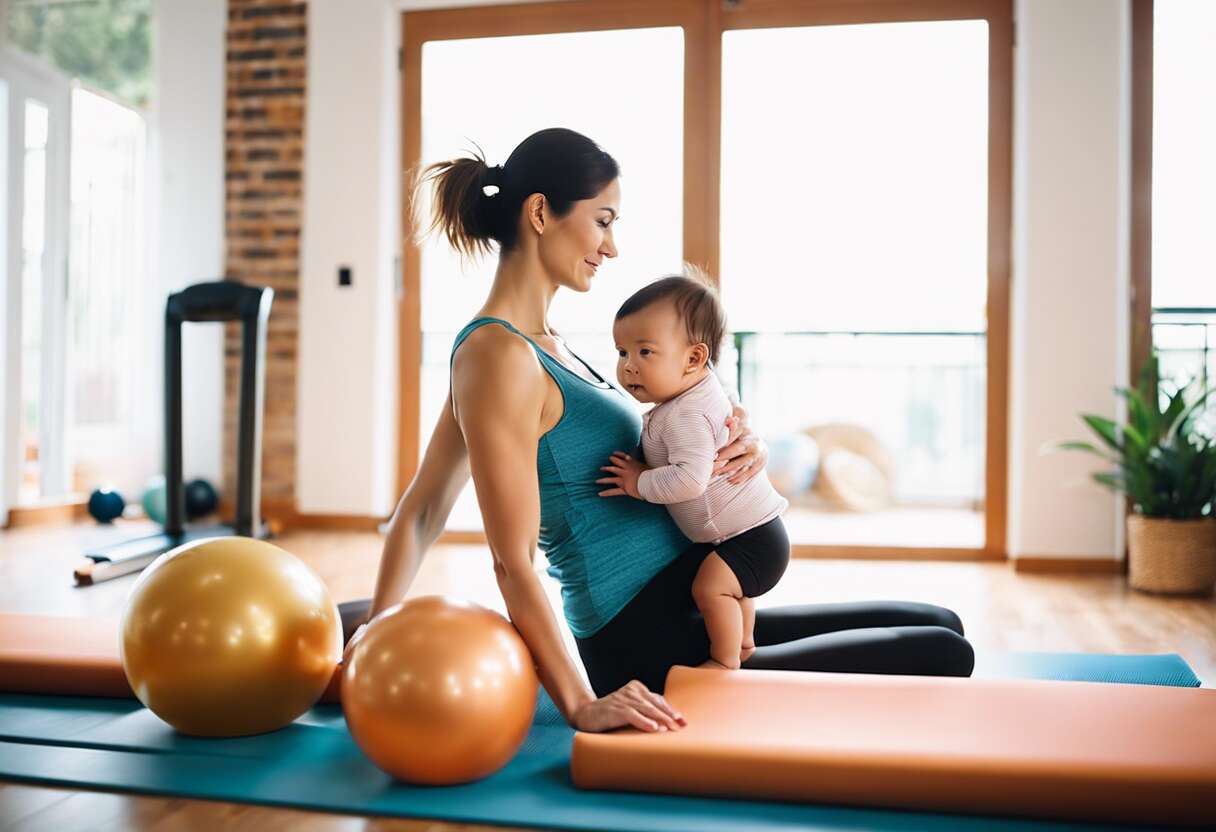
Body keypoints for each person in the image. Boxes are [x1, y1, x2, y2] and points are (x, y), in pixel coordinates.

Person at [341, 127, 974, 735]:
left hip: (689, 600)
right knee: (939, 652)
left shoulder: (553, 348)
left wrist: (735, 443)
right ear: (540, 213)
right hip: (643, 637)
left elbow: (421, 505)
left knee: (936, 622)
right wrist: (581, 705)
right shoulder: (497, 356)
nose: (611, 247)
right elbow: (501, 554)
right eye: (604, 220)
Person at [598, 273, 789, 670]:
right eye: (622, 353)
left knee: (710, 588)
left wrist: (637, 482)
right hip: (749, 535)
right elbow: (730, 403)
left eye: (645, 353)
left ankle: (723, 664)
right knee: (731, 592)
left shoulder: (686, 413)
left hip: (751, 540)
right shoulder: (700, 392)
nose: (628, 367)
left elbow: (688, 480)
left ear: (694, 359)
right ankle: (743, 644)